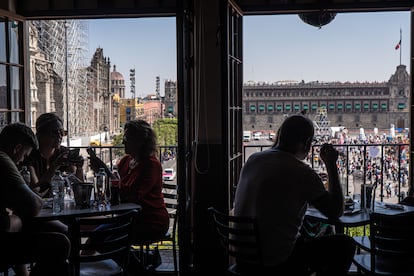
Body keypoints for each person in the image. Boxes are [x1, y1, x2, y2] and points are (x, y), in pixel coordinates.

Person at [234, 114, 355, 275]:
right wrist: (331, 165)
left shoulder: (253, 159)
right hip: (275, 261)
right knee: (345, 245)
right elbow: (335, 212)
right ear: (306, 143)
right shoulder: (302, 171)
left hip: (243, 257)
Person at [0, 123, 70, 276]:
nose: (22, 161)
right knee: (59, 243)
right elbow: (33, 204)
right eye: (24, 155)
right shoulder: (3, 160)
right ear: (17, 148)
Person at [88, 119, 169, 243]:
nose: (123, 141)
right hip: (128, 218)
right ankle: (138, 259)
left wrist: (106, 171)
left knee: (104, 239)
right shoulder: (126, 161)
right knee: (96, 237)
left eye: (127, 137)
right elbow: (114, 192)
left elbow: (132, 195)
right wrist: (101, 172)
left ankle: (136, 261)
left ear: (140, 141)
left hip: (150, 221)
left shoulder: (151, 165)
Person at [24, 112, 84, 198]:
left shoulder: (63, 152)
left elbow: (79, 189)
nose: (59, 136)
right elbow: (37, 191)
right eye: (54, 132)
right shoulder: (29, 156)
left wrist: (79, 168)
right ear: (40, 134)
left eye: (61, 132)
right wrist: (55, 165)